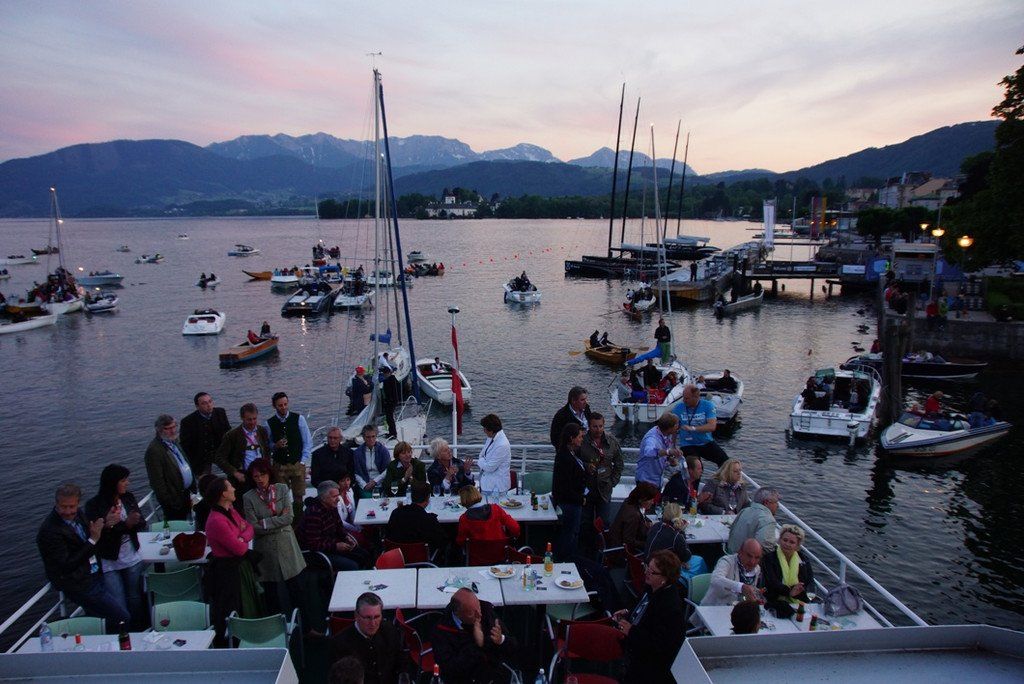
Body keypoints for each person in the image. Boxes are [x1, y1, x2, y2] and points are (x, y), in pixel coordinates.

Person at [37, 484, 131, 627]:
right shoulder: (50, 531)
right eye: (63, 507)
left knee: (99, 618)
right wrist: (93, 540)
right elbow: (66, 565)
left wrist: (105, 524)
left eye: (72, 507)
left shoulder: (79, 515)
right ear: (56, 504)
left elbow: (90, 534)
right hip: (80, 583)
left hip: (93, 573)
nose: (68, 511)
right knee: (122, 617)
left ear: (78, 504)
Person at [242, 459, 308, 623]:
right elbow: (253, 526)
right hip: (266, 549)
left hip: (286, 544)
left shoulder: (281, 489)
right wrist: (277, 521)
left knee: (296, 589)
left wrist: (264, 523)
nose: (260, 479)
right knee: (271, 593)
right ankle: (276, 627)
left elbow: (289, 518)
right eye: (256, 476)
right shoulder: (248, 497)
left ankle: (305, 626)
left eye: (262, 474)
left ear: (269, 474)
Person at [84, 465, 148, 630]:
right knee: (118, 603)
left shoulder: (128, 498)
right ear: (112, 483)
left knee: (135, 597)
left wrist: (129, 523)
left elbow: (140, 522)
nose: (128, 483)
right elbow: (94, 532)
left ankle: (138, 629)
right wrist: (118, 525)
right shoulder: (94, 505)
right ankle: (123, 632)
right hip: (109, 560)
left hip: (131, 556)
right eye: (123, 480)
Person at [203, 476, 265, 645]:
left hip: (240, 568)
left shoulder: (230, 510)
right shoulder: (217, 521)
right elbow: (240, 549)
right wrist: (241, 537)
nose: (234, 489)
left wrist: (240, 537)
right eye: (230, 487)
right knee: (235, 607)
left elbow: (249, 528)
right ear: (223, 494)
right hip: (228, 573)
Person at [613, 550, 686, 684]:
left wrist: (631, 631)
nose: (646, 572)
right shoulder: (652, 587)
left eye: (652, 571)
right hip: (634, 653)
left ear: (665, 578)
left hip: (649, 669)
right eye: (647, 567)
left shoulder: (670, 608)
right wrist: (629, 613)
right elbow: (644, 609)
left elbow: (659, 646)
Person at [431, 587, 519, 684]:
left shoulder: (486, 611)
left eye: (479, 608)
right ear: (457, 613)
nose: (479, 615)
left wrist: (501, 640)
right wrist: (477, 645)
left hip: (493, 675)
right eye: (471, 613)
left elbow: (512, 646)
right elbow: (450, 669)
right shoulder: (441, 632)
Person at [331, 592, 403, 684]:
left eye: (377, 617)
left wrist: (403, 675)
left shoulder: (390, 630)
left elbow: (401, 658)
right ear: (356, 615)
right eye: (367, 618)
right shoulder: (340, 644)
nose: (373, 623)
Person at [297, 481, 368, 572]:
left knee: (364, 555)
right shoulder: (314, 514)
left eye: (338, 495)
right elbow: (313, 544)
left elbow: (339, 527)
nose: (338, 499)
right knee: (352, 565)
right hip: (317, 553)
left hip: (331, 546)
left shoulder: (332, 507)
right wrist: (335, 546)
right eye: (334, 496)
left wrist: (346, 537)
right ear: (323, 498)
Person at [579, 412, 624, 546]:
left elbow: (619, 464)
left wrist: (612, 482)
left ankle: (602, 549)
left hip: (604, 489)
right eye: (595, 426)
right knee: (585, 522)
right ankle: (585, 549)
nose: (598, 430)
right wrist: (586, 466)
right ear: (589, 426)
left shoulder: (612, 442)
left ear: (604, 425)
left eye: (600, 426)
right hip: (586, 489)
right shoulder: (581, 442)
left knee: (604, 522)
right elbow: (574, 461)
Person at [264, 392, 313, 516]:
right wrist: (275, 445)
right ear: (274, 406)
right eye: (280, 405)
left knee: (299, 495)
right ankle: (286, 520)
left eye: (285, 404)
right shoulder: (269, 423)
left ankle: (298, 519)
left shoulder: (299, 419)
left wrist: (302, 461)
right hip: (279, 465)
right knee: (281, 497)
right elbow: (267, 445)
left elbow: (307, 441)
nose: (283, 407)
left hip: (297, 463)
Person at [215, 403, 271, 508]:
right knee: (244, 507)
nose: (252, 422)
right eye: (249, 419)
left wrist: (267, 470)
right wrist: (234, 472)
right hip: (243, 478)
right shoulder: (232, 435)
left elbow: (267, 452)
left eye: (254, 419)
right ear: (242, 418)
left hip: (261, 476)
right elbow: (219, 458)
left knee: (263, 505)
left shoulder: (262, 431)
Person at [144, 414, 195, 521]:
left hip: (185, 494)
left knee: (189, 523)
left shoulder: (174, 442)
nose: (172, 431)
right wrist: (171, 502)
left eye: (174, 427)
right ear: (159, 430)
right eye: (168, 428)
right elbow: (157, 482)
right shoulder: (154, 451)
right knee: (178, 526)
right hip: (174, 501)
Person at [761, 524, 815, 618]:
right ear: (779, 540)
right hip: (774, 601)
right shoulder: (769, 558)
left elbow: (809, 581)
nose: (787, 544)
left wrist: (799, 593)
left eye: (792, 542)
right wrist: (789, 592)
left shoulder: (804, 560)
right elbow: (771, 582)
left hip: (798, 601)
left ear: (797, 546)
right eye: (785, 540)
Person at [552, 422, 588, 560]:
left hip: (573, 502)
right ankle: (566, 560)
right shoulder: (565, 458)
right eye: (579, 437)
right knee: (569, 535)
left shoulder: (571, 454)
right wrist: (580, 498)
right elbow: (564, 486)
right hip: (570, 504)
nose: (582, 439)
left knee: (572, 534)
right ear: (572, 439)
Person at [673, 383, 728, 467]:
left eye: (686, 398)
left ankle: (722, 475)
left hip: (705, 442)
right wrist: (673, 446)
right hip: (688, 444)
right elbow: (673, 429)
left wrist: (693, 428)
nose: (684, 400)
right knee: (696, 467)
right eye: (683, 398)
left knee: (726, 462)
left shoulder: (708, 405)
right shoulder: (678, 408)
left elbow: (712, 426)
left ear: (696, 397)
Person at [179, 391, 231, 476]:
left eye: (210, 401)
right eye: (204, 403)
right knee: (204, 478)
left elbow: (228, 433)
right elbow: (186, 446)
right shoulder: (188, 422)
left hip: (220, 452)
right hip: (201, 457)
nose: (209, 405)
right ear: (197, 406)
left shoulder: (220, 412)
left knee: (234, 470)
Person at [384, 481, 447, 551]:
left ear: (411, 496)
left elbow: (387, 535)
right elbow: (441, 541)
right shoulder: (428, 519)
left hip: (396, 554)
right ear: (428, 498)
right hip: (418, 556)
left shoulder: (396, 513)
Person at [702, 539, 765, 606]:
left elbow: (747, 594)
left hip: (737, 609)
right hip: (713, 607)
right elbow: (715, 580)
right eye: (749, 556)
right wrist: (741, 587)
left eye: (757, 558)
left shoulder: (757, 569)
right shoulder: (727, 561)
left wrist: (755, 596)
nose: (752, 561)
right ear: (740, 552)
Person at [455, 486, 521, 548]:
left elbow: (461, 541)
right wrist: (513, 538)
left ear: (463, 500)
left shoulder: (464, 519)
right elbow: (515, 528)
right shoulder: (496, 509)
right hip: (501, 551)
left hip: (477, 555)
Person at [727, 487, 780, 553]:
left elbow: (731, 532)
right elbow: (765, 547)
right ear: (766, 502)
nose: (778, 506)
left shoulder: (744, 511)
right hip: (747, 558)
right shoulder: (768, 520)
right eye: (776, 502)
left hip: (732, 554)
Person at [608, 482, 658, 552]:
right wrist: (649, 545)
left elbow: (640, 518)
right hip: (622, 551)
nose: (653, 502)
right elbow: (629, 541)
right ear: (641, 499)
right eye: (650, 500)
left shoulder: (628, 502)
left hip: (615, 540)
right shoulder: (633, 515)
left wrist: (646, 523)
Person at [635, 413, 682, 488]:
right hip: (646, 482)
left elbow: (663, 452)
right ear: (670, 428)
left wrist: (669, 458)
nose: (678, 427)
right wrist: (668, 452)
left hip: (657, 480)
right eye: (676, 425)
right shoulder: (652, 438)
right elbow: (648, 452)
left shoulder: (666, 434)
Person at [644, 503, 692, 567]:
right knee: (698, 560)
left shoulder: (656, 525)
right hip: (660, 569)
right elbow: (686, 557)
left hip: (646, 563)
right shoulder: (676, 536)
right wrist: (682, 532)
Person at [477, 414, 511, 497]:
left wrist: (480, 461)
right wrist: (483, 460)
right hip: (487, 484)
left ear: (491, 430)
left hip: (497, 488)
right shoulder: (491, 437)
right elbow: (482, 454)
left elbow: (490, 467)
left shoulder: (502, 444)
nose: (484, 431)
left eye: (485, 429)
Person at [352, 425, 391, 498]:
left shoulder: (383, 451)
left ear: (376, 436)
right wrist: (364, 485)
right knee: (366, 498)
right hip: (364, 484)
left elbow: (388, 469)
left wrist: (375, 482)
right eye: (368, 437)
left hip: (381, 483)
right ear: (363, 437)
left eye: (373, 436)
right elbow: (356, 472)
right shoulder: (358, 453)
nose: (371, 439)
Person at [379, 366, 399, 439]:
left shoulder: (388, 381)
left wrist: (388, 401)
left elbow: (389, 392)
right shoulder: (393, 379)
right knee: (389, 418)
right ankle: (392, 432)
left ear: (387, 373)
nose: (383, 375)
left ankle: (393, 434)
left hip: (390, 402)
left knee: (389, 418)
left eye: (384, 373)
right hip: (392, 401)